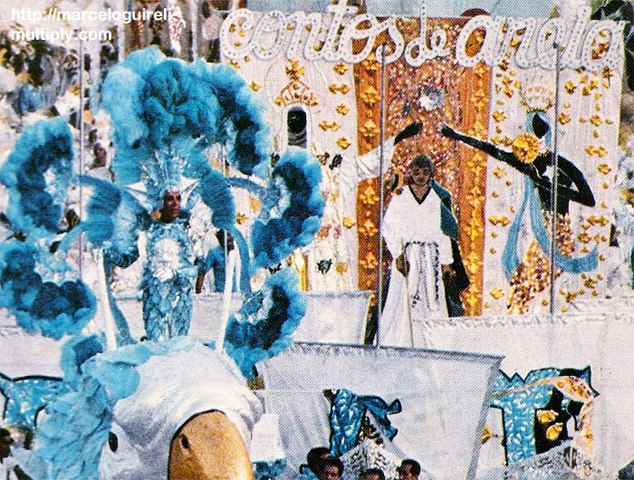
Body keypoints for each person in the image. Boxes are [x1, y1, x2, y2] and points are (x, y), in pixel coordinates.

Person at [441, 114, 596, 313]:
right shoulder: (527, 163)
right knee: (521, 285)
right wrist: (458, 136)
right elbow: (493, 150)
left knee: (531, 286)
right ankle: (519, 321)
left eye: (540, 137)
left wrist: (547, 185)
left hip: (560, 235)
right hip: (542, 232)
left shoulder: (562, 165)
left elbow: (588, 199)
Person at [380, 155, 458, 346]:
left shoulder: (437, 197)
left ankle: (434, 344)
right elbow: (388, 227)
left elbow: (444, 232)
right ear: (410, 173)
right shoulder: (401, 197)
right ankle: (400, 343)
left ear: (431, 174)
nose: (421, 176)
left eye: (425, 172)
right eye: (416, 172)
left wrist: (446, 263)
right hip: (408, 255)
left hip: (432, 257)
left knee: (433, 301)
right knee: (403, 300)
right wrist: (398, 254)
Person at [141, 190, 201, 341]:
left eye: (178, 198)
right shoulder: (149, 231)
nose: (175, 204)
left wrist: (175, 273)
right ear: (160, 202)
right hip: (154, 296)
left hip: (180, 297)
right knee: (155, 344)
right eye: (169, 199)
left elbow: (197, 267)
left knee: (178, 344)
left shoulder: (187, 232)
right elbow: (139, 261)